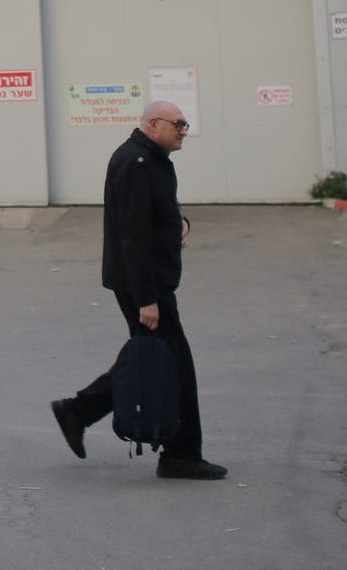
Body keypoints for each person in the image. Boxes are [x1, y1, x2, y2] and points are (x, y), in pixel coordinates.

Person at [50, 100, 227, 480]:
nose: (184, 130)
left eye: (185, 123)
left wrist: (180, 223)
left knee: (157, 361)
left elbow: (156, 213)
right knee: (172, 365)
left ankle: (78, 411)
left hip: (148, 281)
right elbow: (132, 233)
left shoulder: (153, 158)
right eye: (178, 124)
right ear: (152, 124)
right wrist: (146, 298)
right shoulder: (136, 162)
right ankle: (180, 455)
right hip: (143, 284)